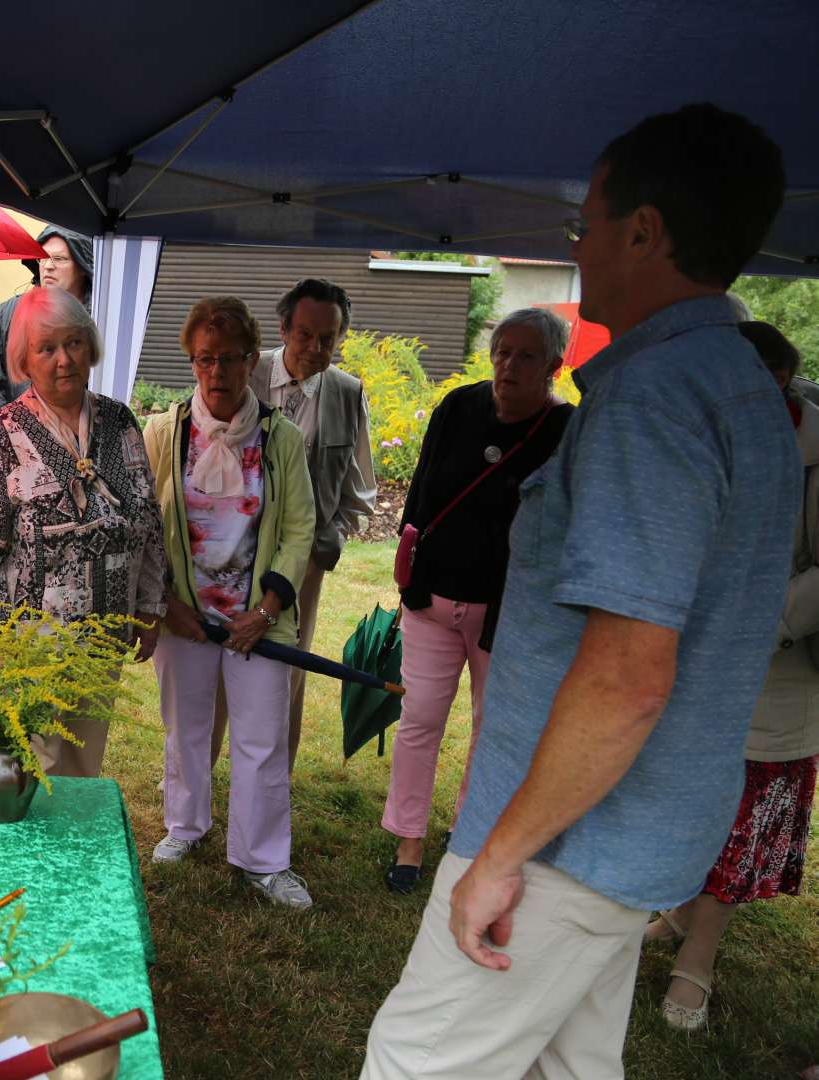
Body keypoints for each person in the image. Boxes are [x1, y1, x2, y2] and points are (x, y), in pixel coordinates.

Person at [361, 103, 795, 1079]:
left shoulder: (654, 398)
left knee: (413, 1062)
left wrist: (504, 854)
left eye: (587, 222)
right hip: (633, 838)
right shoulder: (737, 381)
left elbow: (629, 674)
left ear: (644, 231)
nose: (577, 243)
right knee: (570, 1067)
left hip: (569, 846)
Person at [641, 321, 819, 1032]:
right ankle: (680, 907)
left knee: (744, 819)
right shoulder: (704, 434)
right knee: (691, 802)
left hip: (779, 671)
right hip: (696, 660)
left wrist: (754, 620)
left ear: (777, 382)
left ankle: (699, 960)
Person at [381, 308, 575, 893]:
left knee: (494, 729)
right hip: (433, 599)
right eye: (502, 352)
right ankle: (408, 837)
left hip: (510, 615)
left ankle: (469, 834)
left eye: (525, 356)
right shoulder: (458, 408)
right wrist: (410, 570)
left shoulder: (567, 431)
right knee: (420, 719)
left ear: (554, 367)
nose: (508, 366)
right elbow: (420, 491)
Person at [143, 297, 316, 907]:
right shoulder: (163, 434)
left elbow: (299, 528)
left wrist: (267, 610)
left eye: (231, 359)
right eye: (204, 359)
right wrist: (165, 604)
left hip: (257, 619)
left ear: (252, 361)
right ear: (192, 361)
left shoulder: (282, 440)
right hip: (187, 619)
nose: (217, 372)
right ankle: (185, 827)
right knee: (186, 729)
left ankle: (263, 859)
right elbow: (144, 525)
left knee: (262, 738)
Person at [0, 286, 167, 776]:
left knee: (82, 761)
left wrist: (150, 606)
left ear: (89, 346)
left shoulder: (119, 422)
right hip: (28, 646)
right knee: (27, 766)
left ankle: (71, 849)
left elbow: (148, 521)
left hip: (104, 631)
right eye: (46, 348)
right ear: (24, 360)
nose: (63, 360)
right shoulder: (0, 435)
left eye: (73, 343)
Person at [246, 277, 376, 775]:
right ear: (283, 328)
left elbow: (359, 484)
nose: (315, 348)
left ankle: (273, 781)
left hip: (305, 564)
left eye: (328, 339)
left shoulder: (347, 392)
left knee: (288, 669)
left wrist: (331, 534)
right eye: (304, 335)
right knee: (223, 663)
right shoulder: (246, 372)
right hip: (233, 551)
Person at [0, 226, 93, 429]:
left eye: (60, 259)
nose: (48, 266)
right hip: (19, 446)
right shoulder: (11, 312)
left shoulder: (100, 318)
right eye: (42, 258)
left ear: (81, 266)